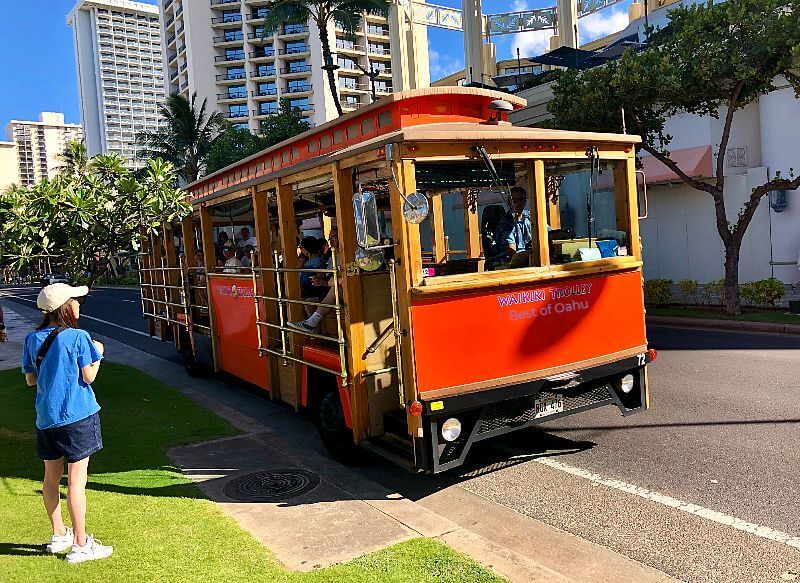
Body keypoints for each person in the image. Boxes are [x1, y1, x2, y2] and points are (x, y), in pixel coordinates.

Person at [21, 283, 112, 564]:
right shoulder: (78, 337)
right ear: (65, 307)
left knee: (50, 477)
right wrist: (99, 353)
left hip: (46, 418)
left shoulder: (32, 339)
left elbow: (30, 379)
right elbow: (89, 377)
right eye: (75, 300)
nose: (78, 304)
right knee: (76, 481)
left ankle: (59, 534)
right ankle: (81, 544)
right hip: (77, 417)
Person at [289, 227, 340, 332]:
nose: (333, 241)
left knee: (308, 300)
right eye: (330, 238)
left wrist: (323, 281)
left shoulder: (349, 254)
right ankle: (314, 331)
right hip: (327, 286)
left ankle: (316, 330)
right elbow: (328, 275)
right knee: (297, 300)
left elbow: (338, 277)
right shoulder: (331, 256)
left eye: (335, 237)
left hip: (332, 288)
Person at [495, 186, 533, 261]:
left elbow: (549, 233)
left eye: (522, 200)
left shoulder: (531, 217)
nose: (519, 203)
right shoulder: (506, 223)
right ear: (509, 202)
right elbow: (512, 252)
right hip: (513, 262)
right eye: (515, 201)